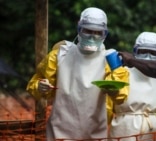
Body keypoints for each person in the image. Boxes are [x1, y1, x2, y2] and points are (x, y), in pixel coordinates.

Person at [26, 7, 129, 140]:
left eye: (98, 32)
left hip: (94, 132)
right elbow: (37, 87)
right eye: (87, 31)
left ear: (105, 34)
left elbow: (121, 97)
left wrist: (115, 90)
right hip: (59, 131)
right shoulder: (60, 54)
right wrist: (40, 86)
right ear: (79, 29)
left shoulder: (109, 60)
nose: (92, 36)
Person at [106, 32, 156, 141]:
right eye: (143, 51)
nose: (147, 56)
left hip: (154, 131)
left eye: (153, 52)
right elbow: (107, 107)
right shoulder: (122, 73)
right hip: (124, 130)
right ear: (135, 51)